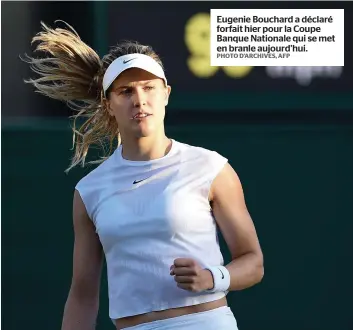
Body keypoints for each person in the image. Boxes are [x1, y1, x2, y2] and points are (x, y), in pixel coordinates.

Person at [23, 21, 264, 330]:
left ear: (166, 93)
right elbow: (83, 295)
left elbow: (252, 262)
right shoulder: (89, 191)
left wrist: (212, 278)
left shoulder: (210, 167)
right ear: (109, 104)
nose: (139, 99)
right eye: (126, 91)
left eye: (149, 87)